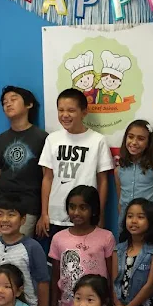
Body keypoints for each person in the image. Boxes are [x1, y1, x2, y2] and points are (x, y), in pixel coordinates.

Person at [48, 185, 115, 306]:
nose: (76, 212)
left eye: (83, 207)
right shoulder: (58, 238)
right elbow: (55, 277)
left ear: (93, 210)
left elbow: (112, 276)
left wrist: (112, 305)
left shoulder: (106, 237)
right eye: (72, 207)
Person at [37, 88, 113, 236]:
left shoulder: (98, 140)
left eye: (71, 110)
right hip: (55, 215)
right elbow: (47, 178)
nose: (65, 115)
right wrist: (44, 213)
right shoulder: (52, 139)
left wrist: (100, 213)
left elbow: (103, 181)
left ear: (84, 112)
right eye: (61, 110)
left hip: (85, 214)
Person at [0, 85, 48, 238]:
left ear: (29, 104)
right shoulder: (1, 139)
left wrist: (44, 213)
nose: (8, 104)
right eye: (4, 102)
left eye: (13, 99)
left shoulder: (42, 138)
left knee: (19, 251)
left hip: (26, 208)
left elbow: (47, 178)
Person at [114, 120, 153, 240]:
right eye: (130, 137)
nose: (134, 142)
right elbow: (120, 202)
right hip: (126, 225)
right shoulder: (119, 170)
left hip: (149, 224)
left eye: (141, 139)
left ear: (148, 143)